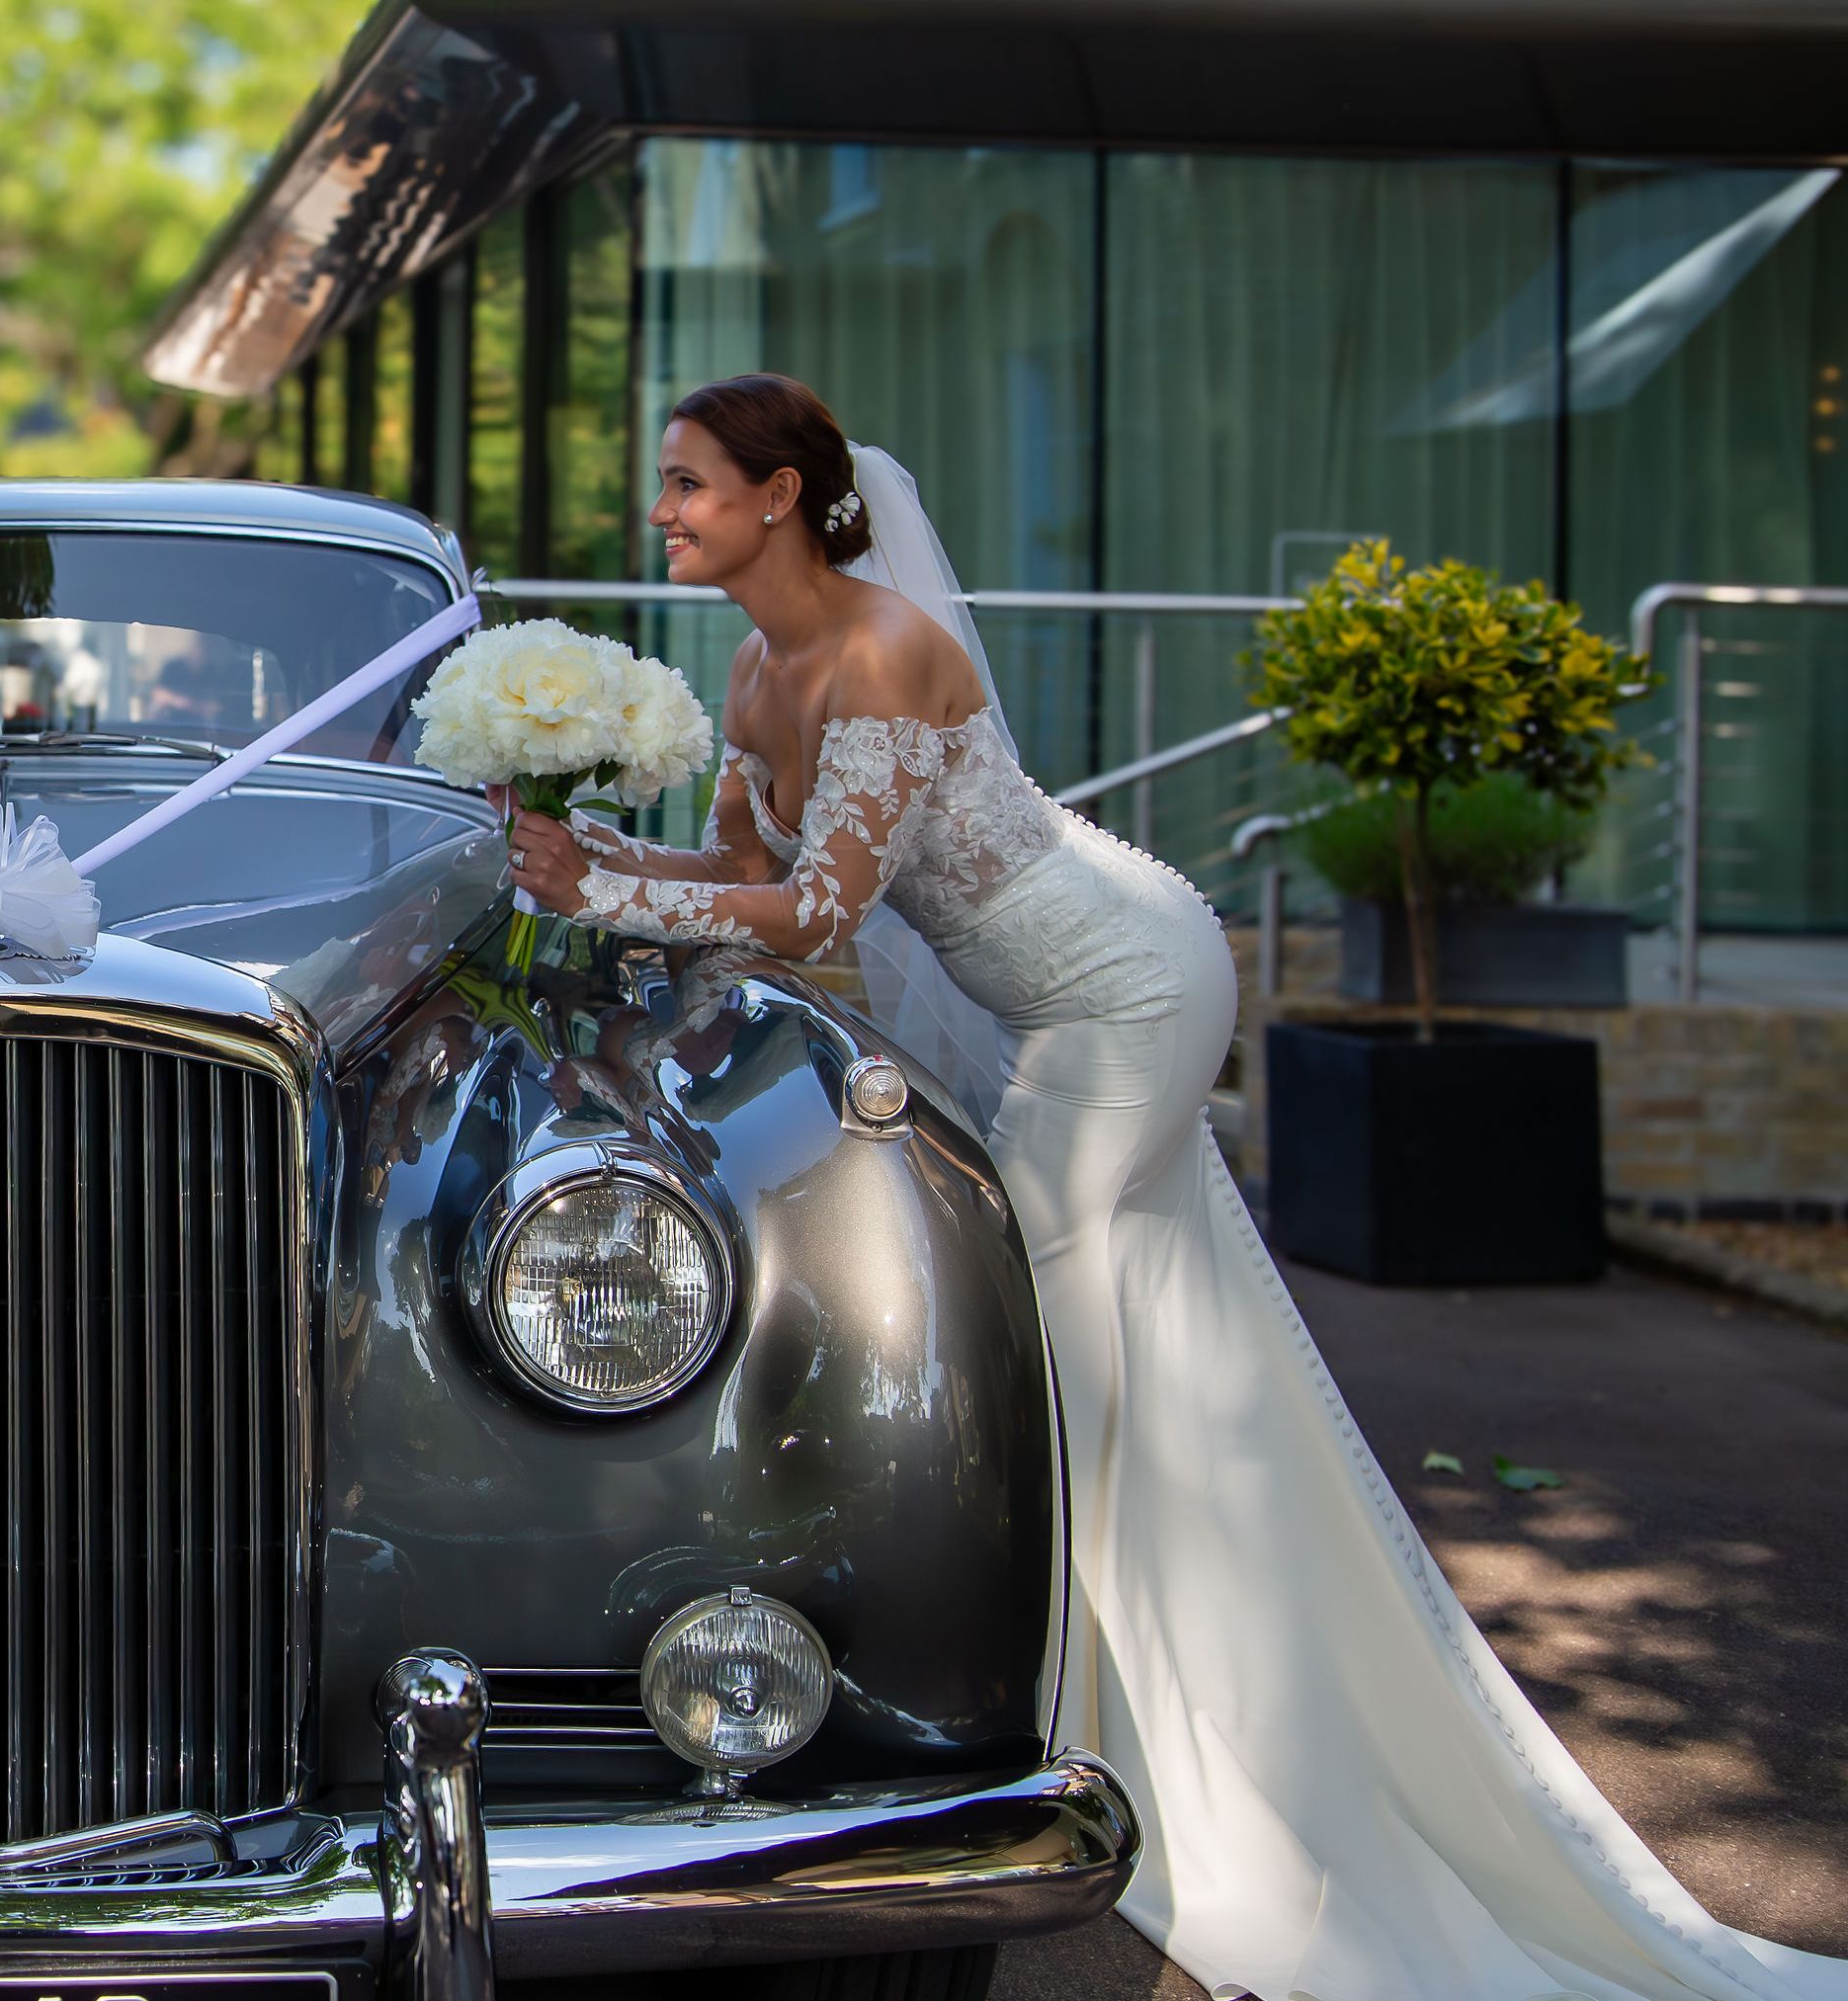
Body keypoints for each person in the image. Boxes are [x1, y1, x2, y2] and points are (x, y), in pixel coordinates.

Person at [500, 374, 1848, 2001]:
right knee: (1093, 1336)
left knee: (1027, 1312)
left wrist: (613, 888)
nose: (667, 510)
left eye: (691, 482)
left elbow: (818, 914)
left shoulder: (885, 652)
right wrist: (583, 860)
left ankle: (1042, 1702)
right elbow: (737, 873)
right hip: (1049, 1002)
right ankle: (1139, 1666)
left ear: (782, 495)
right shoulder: (759, 661)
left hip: (1128, 990)